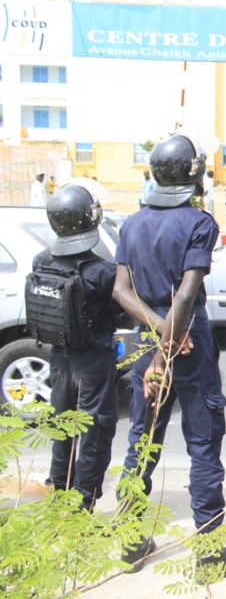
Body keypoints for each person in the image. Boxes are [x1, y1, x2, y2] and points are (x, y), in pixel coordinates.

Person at [111, 134, 226, 573]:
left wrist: (155, 334)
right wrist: (170, 338)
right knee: (204, 445)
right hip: (188, 340)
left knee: (142, 440)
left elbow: (120, 290)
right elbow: (188, 292)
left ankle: (131, 541)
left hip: (147, 338)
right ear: (192, 174)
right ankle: (209, 551)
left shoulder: (132, 223)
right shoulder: (199, 222)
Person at [31, 185, 133, 511]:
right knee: (94, 437)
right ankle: (82, 512)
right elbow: (124, 317)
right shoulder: (103, 271)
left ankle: (58, 501)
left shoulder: (41, 262)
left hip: (58, 359)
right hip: (94, 360)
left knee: (62, 432)